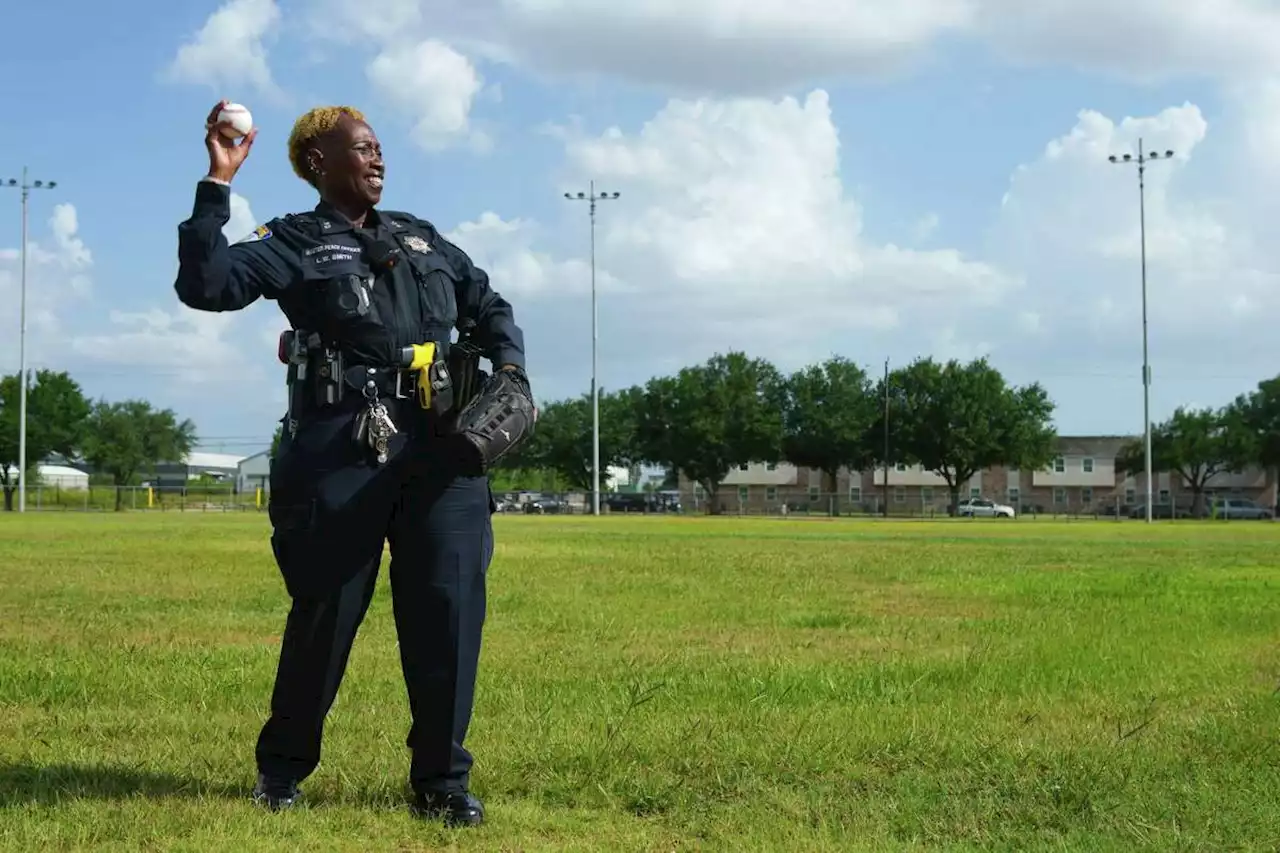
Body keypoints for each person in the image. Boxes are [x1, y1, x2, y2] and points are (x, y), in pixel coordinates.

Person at [173, 100, 536, 827]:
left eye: (379, 148)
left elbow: (488, 301)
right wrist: (217, 183)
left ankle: (441, 779)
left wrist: (508, 367)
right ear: (319, 163)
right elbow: (207, 287)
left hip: (443, 444)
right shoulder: (295, 240)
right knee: (326, 611)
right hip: (342, 444)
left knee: (448, 608)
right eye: (363, 148)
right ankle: (281, 771)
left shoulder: (421, 238)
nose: (377, 159)